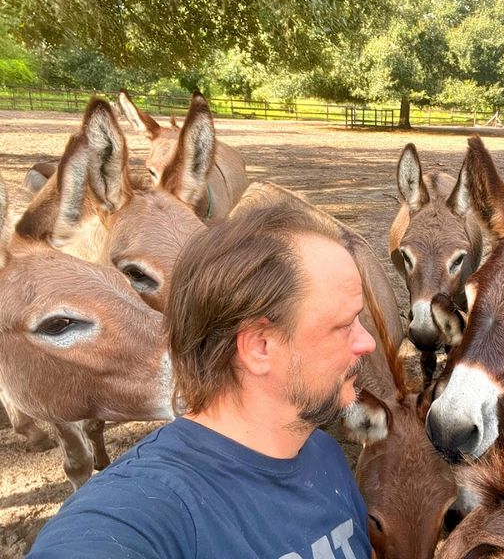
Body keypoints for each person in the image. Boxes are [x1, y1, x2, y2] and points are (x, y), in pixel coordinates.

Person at [29, 206, 377, 558]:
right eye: (344, 325)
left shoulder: (325, 456)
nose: (367, 343)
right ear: (259, 347)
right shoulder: (148, 508)